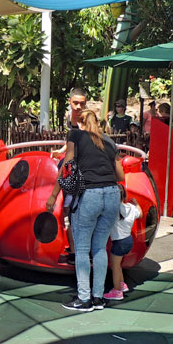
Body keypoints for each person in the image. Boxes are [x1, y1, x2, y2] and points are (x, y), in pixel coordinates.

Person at [46, 109, 125, 312]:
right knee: (99, 247)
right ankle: (98, 298)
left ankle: (84, 298)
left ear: (80, 123)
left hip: (90, 193)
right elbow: (120, 175)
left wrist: (54, 195)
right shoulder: (109, 141)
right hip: (112, 194)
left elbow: (67, 164)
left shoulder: (76, 135)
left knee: (81, 249)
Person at [103, 185, 141, 301]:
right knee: (118, 265)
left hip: (118, 243)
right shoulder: (130, 207)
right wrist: (136, 204)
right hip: (128, 240)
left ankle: (117, 291)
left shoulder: (112, 210)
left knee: (115, 267)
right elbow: (141, 214)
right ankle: (122, 284)